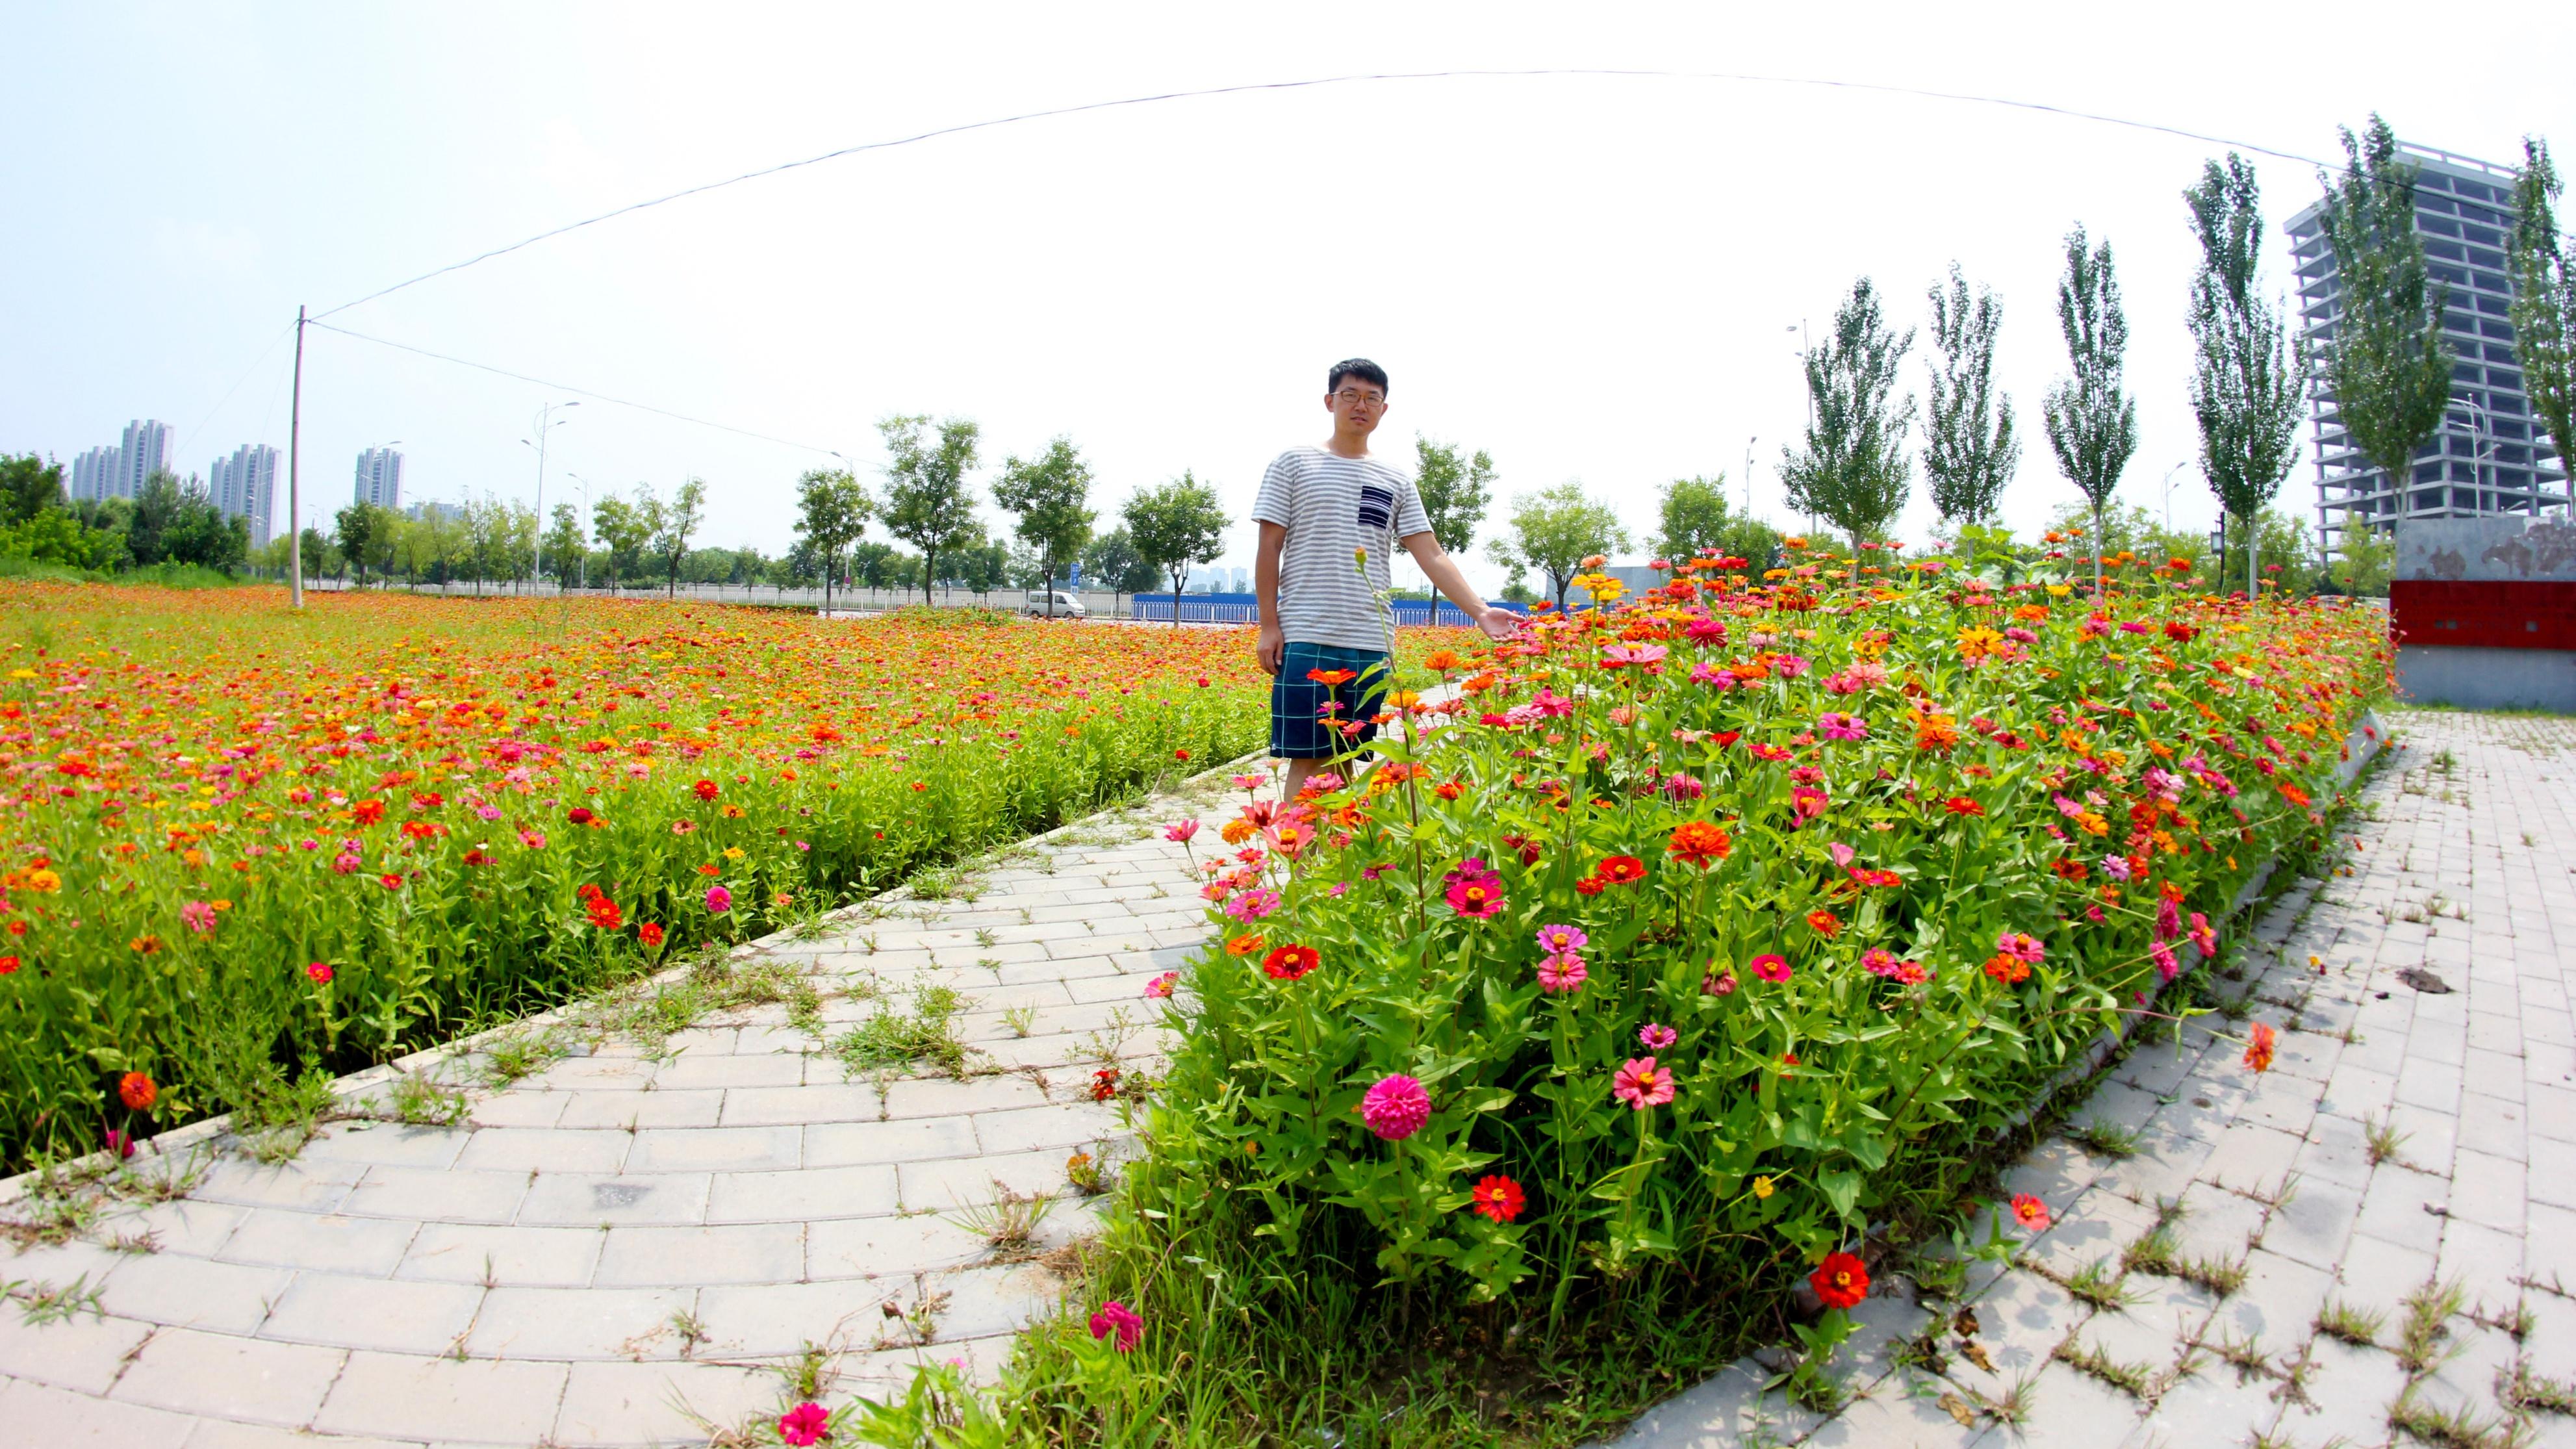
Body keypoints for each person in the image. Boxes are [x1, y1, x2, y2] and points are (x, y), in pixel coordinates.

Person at [1252, 357, 1518, 799]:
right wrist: (1268, 625)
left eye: (1371, 398)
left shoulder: (1394, 478)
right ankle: (1299, 866)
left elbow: (1430, 553)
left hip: (1371, 640)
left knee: (1347, 760)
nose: (1361, 405)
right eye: (1350, 395)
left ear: (1383, 409)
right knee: (1309, 760)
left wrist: (1480, 611)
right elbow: (1268, 547)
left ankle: (1338, 863)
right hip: (1306, 633)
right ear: (1329, 401)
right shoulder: (1293, 463)